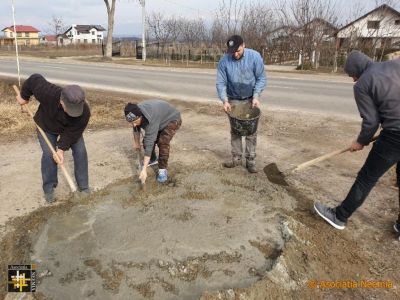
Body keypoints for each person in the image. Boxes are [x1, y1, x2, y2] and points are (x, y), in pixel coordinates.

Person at [314, 50, 400, 235]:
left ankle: (339, 216)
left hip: (395, 136)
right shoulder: (395, 64)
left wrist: (360, 141)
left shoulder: (362, 84)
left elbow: (371, 122)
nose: (353, 79)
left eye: (352, 75)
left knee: (366, 177)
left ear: (358, 70)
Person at [15, 74, 91, 203]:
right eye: (71, 109)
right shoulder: (49, 93)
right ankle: (49, 189)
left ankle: (84, 187)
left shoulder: (84, 112)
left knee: (80, 151)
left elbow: (73, 132)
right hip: (46, 125)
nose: (74, 112)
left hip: (69, 129)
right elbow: (34, 79)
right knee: (49, 155)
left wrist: (61, 148)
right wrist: (24, 96)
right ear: (62, 102)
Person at [216, 35, 266, 173]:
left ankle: (250, 160)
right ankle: (236, 158)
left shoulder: (254, 57)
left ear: (243, 45)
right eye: (232, 51)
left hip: (250, 98)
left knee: (251, 131)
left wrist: (256, 96)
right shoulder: (224, 61)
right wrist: (225, 100)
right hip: (233, 99)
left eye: (237, 50)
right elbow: (220, 82)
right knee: (236, 130)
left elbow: (261, 78)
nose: (235, 54)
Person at [124, 100, 181, 184]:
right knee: (146, 141)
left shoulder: (150, 119)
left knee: (162, 142)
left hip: (172, 119)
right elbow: (136, 128)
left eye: (135, 122)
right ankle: (153, 159)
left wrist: (144, 170)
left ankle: (162, 170)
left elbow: (150, 142)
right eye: (131, 123)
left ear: (140, 116)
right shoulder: (135, 113)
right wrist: (136, 142)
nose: (134, 125)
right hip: (159, 120)